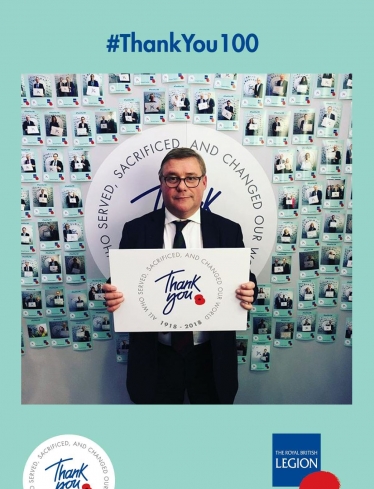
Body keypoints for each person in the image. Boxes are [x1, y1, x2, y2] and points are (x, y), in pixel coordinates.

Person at [103, 147, 258, 405]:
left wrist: (249, 291)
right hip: (155, 357)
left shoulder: (228, 231)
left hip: (211, 357)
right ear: (162, 183)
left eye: (191, 178)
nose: (182, 186)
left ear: (204, 182)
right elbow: (122, 282)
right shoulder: (136, 230)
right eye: (172, 178)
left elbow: (244, 279)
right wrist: (112, 294)